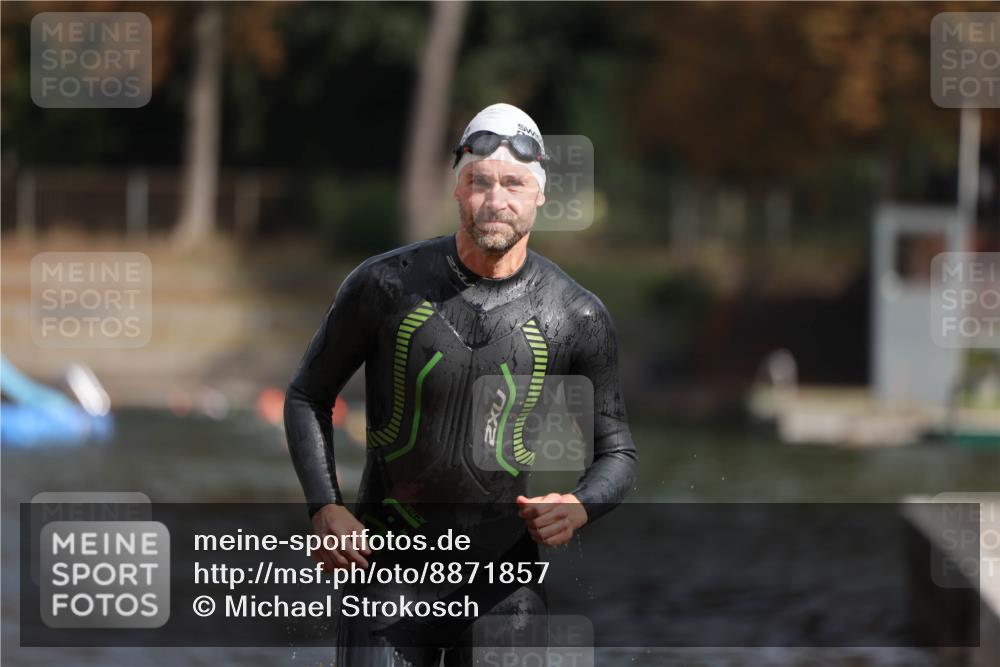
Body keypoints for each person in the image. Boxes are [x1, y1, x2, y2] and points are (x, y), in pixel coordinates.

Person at [284, 102, 637, 666]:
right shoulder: (385, 284)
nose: (496, 200)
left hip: (506, 586)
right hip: (387, 574)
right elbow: (308, 395)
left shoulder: (575, 315)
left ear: (540, 194)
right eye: (480, 182)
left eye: (514, 184)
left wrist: (579, 505)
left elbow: (617, 451)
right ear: (457, 190)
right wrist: (325, 508)